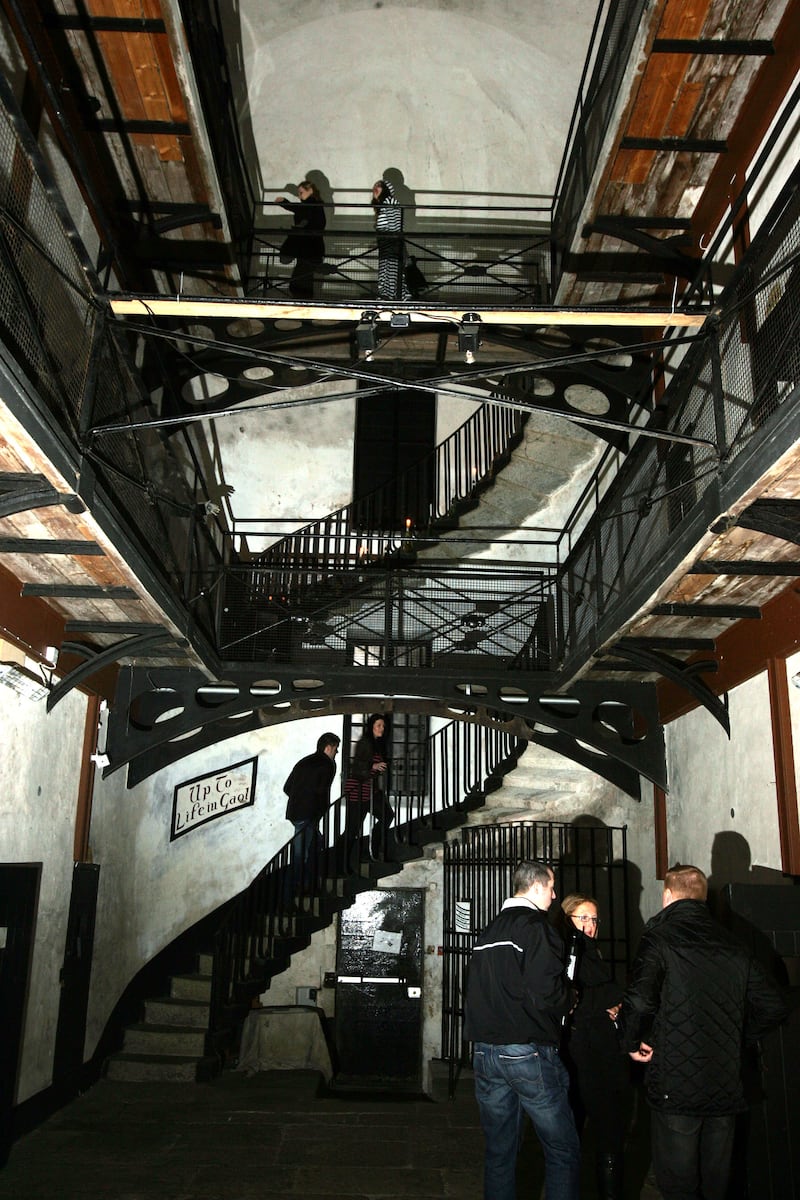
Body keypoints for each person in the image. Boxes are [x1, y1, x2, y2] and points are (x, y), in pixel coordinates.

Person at [618, 863, 789, 1200]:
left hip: (675, 1084)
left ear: (667, 896)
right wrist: (738, 1036)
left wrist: (630, 1041)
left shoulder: (660, 938)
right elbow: (775, 1004)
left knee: (679, 1184)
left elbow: (638, 1001)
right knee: (717, 1185)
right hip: (725, 1083)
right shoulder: (734, 943)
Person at [464, 860, 581, 1200]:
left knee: (500, 1152)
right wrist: (568, 999)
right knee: (562, 1149)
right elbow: (546, 989)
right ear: (537, 886)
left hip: (486, 1051)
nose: (555, 895)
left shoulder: (489, 931)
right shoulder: (536, 927)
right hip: (526, 1051)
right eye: (552, 887)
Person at [556, 894, 630, 1200]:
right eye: (582, 918)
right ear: (568, 919)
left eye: (594, 919)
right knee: (599, 1130)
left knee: (601, 1130)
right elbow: (573, 998)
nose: (590, 925)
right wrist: (611, 998)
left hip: (596, 1050)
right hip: (584, 1051)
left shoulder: (590, 952)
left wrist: (612, 1001)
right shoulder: (569, 953)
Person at [283, 731, 340, 896]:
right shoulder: (327, 765)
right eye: (335, 749)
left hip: (295, 813)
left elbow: (287, 787)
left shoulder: (304, 761)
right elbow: (321, 792)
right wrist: (318, 812)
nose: (336, 753)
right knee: (301, 854)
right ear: (328, 748)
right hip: (309, 815)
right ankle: (293, 890)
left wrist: (299, 800)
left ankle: (306, 885)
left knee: (310, 846)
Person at [343, 714, 394, 868]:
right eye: (379, 725)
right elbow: (356, 766)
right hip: (358, 790)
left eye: (383, 726)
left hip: (370, 790)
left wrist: (380, 768)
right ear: (371, 726)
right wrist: (373, 766)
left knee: (387, 816)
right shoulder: (365, 742)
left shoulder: (377, 743)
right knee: (352, 829)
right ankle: (341, 862)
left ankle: (371, 851)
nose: (382, 729)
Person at [274, 180, 326, 299]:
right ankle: (305, 306)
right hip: (311, 249)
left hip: (308, 248)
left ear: (310, 191)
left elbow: (300, 211)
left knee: (301, 280)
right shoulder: (314, 205)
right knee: (304, 278)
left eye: (301, 192)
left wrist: (285, 203)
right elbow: (299, 210)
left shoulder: (312, 205)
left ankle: (304, 305)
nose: (299, 195)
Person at [372, 179, 410, 301]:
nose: (376, 188)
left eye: (379, 186)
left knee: (390, 269)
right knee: (389, 269)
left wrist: (392, 240)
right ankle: (392, 295)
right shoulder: (384, 204)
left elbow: (395, 224)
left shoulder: (389, 201)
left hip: (391, 243)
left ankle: (391, 296)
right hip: (387, 242)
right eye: (375, 186)